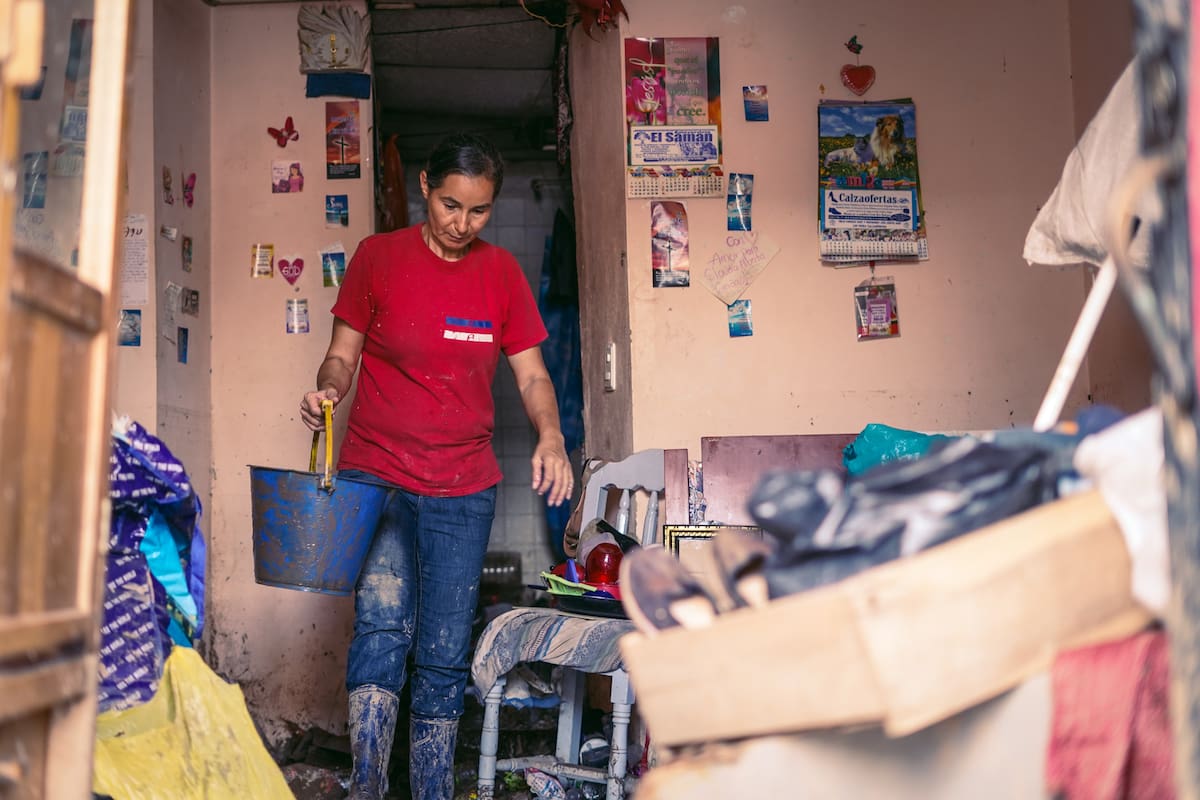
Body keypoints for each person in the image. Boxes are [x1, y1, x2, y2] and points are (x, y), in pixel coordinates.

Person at [299, 132, 572, 800]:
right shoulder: (377, 259)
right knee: (383, 627)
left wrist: (553, 435)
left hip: (462, 489)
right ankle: (367, 782)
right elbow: (343, 353)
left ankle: (430, 790)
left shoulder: (500, 274)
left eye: (478, 211)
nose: (461, 224)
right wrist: (328, 387)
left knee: (446, 651)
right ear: (425, 186)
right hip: (376, 477)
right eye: (450, 205)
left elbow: (533, 376)